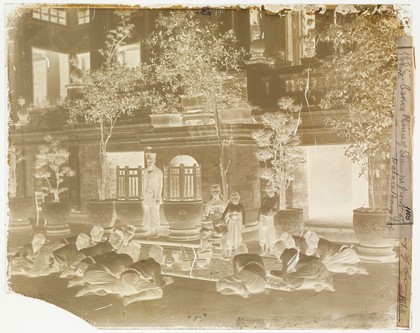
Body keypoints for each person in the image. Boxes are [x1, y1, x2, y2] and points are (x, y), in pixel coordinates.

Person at [76, 244, 173, 305]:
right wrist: (165, 281)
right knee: (158, 292)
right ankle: (132, 298)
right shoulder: (156, 264)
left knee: (118, 287)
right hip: (132, 277)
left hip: (125, 275)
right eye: (162, 256)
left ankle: (92, 287)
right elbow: (156, 285)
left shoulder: (142, 261)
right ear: (159, 256)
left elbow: (141, 273)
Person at [68, 241, 142, 288]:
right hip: (97, 272)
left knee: (107, 280)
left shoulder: (114, 255)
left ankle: (80, 281)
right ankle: (89, 286)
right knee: (119, 283)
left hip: (90, 270)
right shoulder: (128, 259)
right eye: (135, 253)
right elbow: (129, 275)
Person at [270, 240, 334, 292]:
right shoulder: (292, 251)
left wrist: (272, 273)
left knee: (291, 280)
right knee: (296, 276)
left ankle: (322, 282)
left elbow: (285, 274)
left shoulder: (285, 255)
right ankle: (320, 283)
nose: (275, 255)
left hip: (314, 268)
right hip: (319, 269)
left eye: (275, 253)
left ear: (278, 251)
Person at [297, 231, 368, 275]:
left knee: (328, 266)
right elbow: (315, 254)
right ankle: (350, 267)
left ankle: (353, 267)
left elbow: (322, 259)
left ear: (312, 240)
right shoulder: (320, 243)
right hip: (346, 254)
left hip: (346, 253)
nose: (308, 245)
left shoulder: (322, 245)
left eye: (308, 242)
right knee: (330, 266)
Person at [142, 147, 163, 238]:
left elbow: (160, 185)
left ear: (154, 161)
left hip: (155, 195)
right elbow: (143, 183)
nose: (149, 163)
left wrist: (158, 196)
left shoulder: (158, 172)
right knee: (148, 214)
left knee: (155, 214)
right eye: (148, 162)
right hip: (146, 195)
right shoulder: (145, 171)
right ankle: (151, 231)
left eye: (151, 161)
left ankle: (156, 231)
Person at [199, 184, 227, 253]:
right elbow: (206, 214)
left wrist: (224, 219)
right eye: (213, 191)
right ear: (211, 192)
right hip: (212, 220)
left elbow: (227, 214)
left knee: (224, 232)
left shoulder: (223, 203)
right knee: (204, 231)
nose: (215, 192)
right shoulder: (209, 203)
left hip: (221, 220)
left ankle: (223, 250)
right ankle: (204, 248)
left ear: (220, 191)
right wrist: (205, 217)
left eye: (216, 190)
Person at [220, 192, 246, 256]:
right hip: (231, 223)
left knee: (238, 235)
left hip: (238, 223)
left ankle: (237, 249)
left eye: (236, 198)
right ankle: (230, 250)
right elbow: (224, 213)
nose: (234, 200)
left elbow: (244, 215)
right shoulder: (229, 206)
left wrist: (243, 224)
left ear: (239, 198)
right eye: (233, 198)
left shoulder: (241, 206)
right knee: (231, 235)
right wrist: (222, 219)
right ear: (231, 199)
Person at [258, 185, 279, 255]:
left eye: (270, 191)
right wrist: (259, 219)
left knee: (269, 234)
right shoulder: (264, 199)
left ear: (273, 191)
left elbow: (277, 208)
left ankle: (268, 249)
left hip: (271, 218)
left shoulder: (277, 198)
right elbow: (261, 209)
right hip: (263, 217)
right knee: (262, 233)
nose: (269, 193)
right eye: (268, 192)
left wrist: (271, 212)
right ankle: (262, 249)